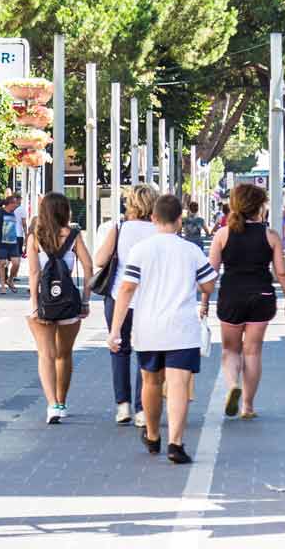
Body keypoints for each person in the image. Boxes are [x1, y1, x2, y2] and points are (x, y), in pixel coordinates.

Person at [107, 195, 217, 461]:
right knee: (178, 384)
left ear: (154, 218)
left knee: (151, 381)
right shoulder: (191, 250)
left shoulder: (140, 250)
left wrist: (116, 330)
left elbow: (126, 289)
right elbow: (208, 285)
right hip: (182, 328)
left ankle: (153, 435)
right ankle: (176, 443)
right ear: (180, 220)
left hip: (148, 328)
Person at [202, 184, 285, 420]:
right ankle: (248, 406)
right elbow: (282, 272)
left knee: (230, 350)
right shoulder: (270, 236)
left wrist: (204, 300)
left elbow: (210, 273)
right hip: (261, 298)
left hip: (231, 297)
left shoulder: (222, 235)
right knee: (253, 352)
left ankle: (233, 384)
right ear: (259, 207)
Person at [94, 183, 159, 427]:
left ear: (130, 203)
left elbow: (100, 259)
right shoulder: (159, 230)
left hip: (118, 296)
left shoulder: (119, 228)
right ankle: (143, 409)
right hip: (149, 298)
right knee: (146, 351)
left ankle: (123, 406)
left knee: (119, 349)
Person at [26, 192, 94, 425]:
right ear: (65, 211)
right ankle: (62, 402)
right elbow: (88, 267)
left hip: (43, 303)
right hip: (68, 303)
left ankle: (52, 405)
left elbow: (34, 273)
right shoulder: (74, 236)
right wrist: (85, 300)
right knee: (64, 354)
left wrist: (35, 305)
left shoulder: (35, 237)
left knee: (45, 354)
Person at [0, 196, 23, 294]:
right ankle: (2, 286)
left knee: (16, 263)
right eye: (16, 203)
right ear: (11, 203)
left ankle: (10, 280)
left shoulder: (14, 212)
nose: (17, 205)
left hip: (13, 242)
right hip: (1, 242)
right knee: (2, 263)